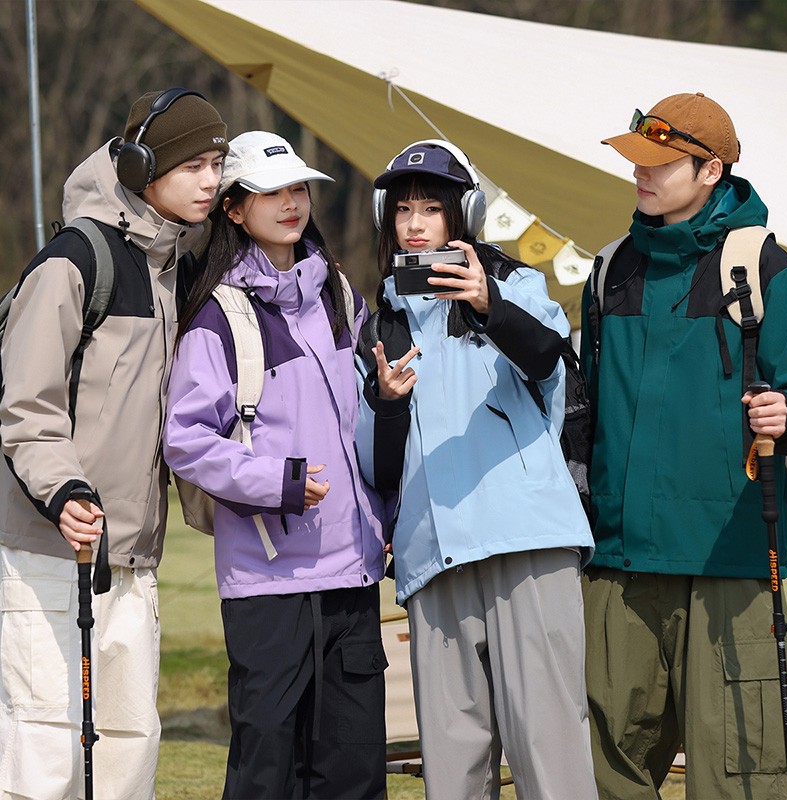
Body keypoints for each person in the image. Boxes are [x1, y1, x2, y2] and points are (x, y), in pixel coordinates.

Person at [0, 89, 228, 799]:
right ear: (141, 167)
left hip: (134, 562)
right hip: (48, 552)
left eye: (217, 164)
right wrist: (64, 491)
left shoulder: (173, 270)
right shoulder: (72, 263)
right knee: (46, 753)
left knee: (130, 748)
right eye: (193, 166)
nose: (210, 181)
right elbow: (26, 406)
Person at [356, 139, 597, 799]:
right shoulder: (381, 323)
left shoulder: (515, 285)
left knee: (550, 748)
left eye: (431, 208)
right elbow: (376, 466)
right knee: (453, 764)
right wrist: (386, 402)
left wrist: (489, 305)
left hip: (527, 541)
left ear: (463, 215)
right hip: (432, 560)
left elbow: (548, 359)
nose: (413, 224)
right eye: (402, 209)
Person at [581, 91, 787, 799]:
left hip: (729, 559)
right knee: (603, 771)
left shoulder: (767, 269)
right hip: (618, 562)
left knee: (743, 775)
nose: (639, 174)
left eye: (660, 162)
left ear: (711, 171)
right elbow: (584, 414)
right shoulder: (609, 270)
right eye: (635, 160)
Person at [162, 131, 388, 800]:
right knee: (267, 775)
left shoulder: (340, 296)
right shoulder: (218, 316)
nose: (291, 203)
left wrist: (387, 514)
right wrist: (279, 483)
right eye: (270, 192)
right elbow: (185, 438)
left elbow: (369, 423)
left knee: (354, 776)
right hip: (266, 582)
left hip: (352, 571)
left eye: (298, 188)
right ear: (233, 209)